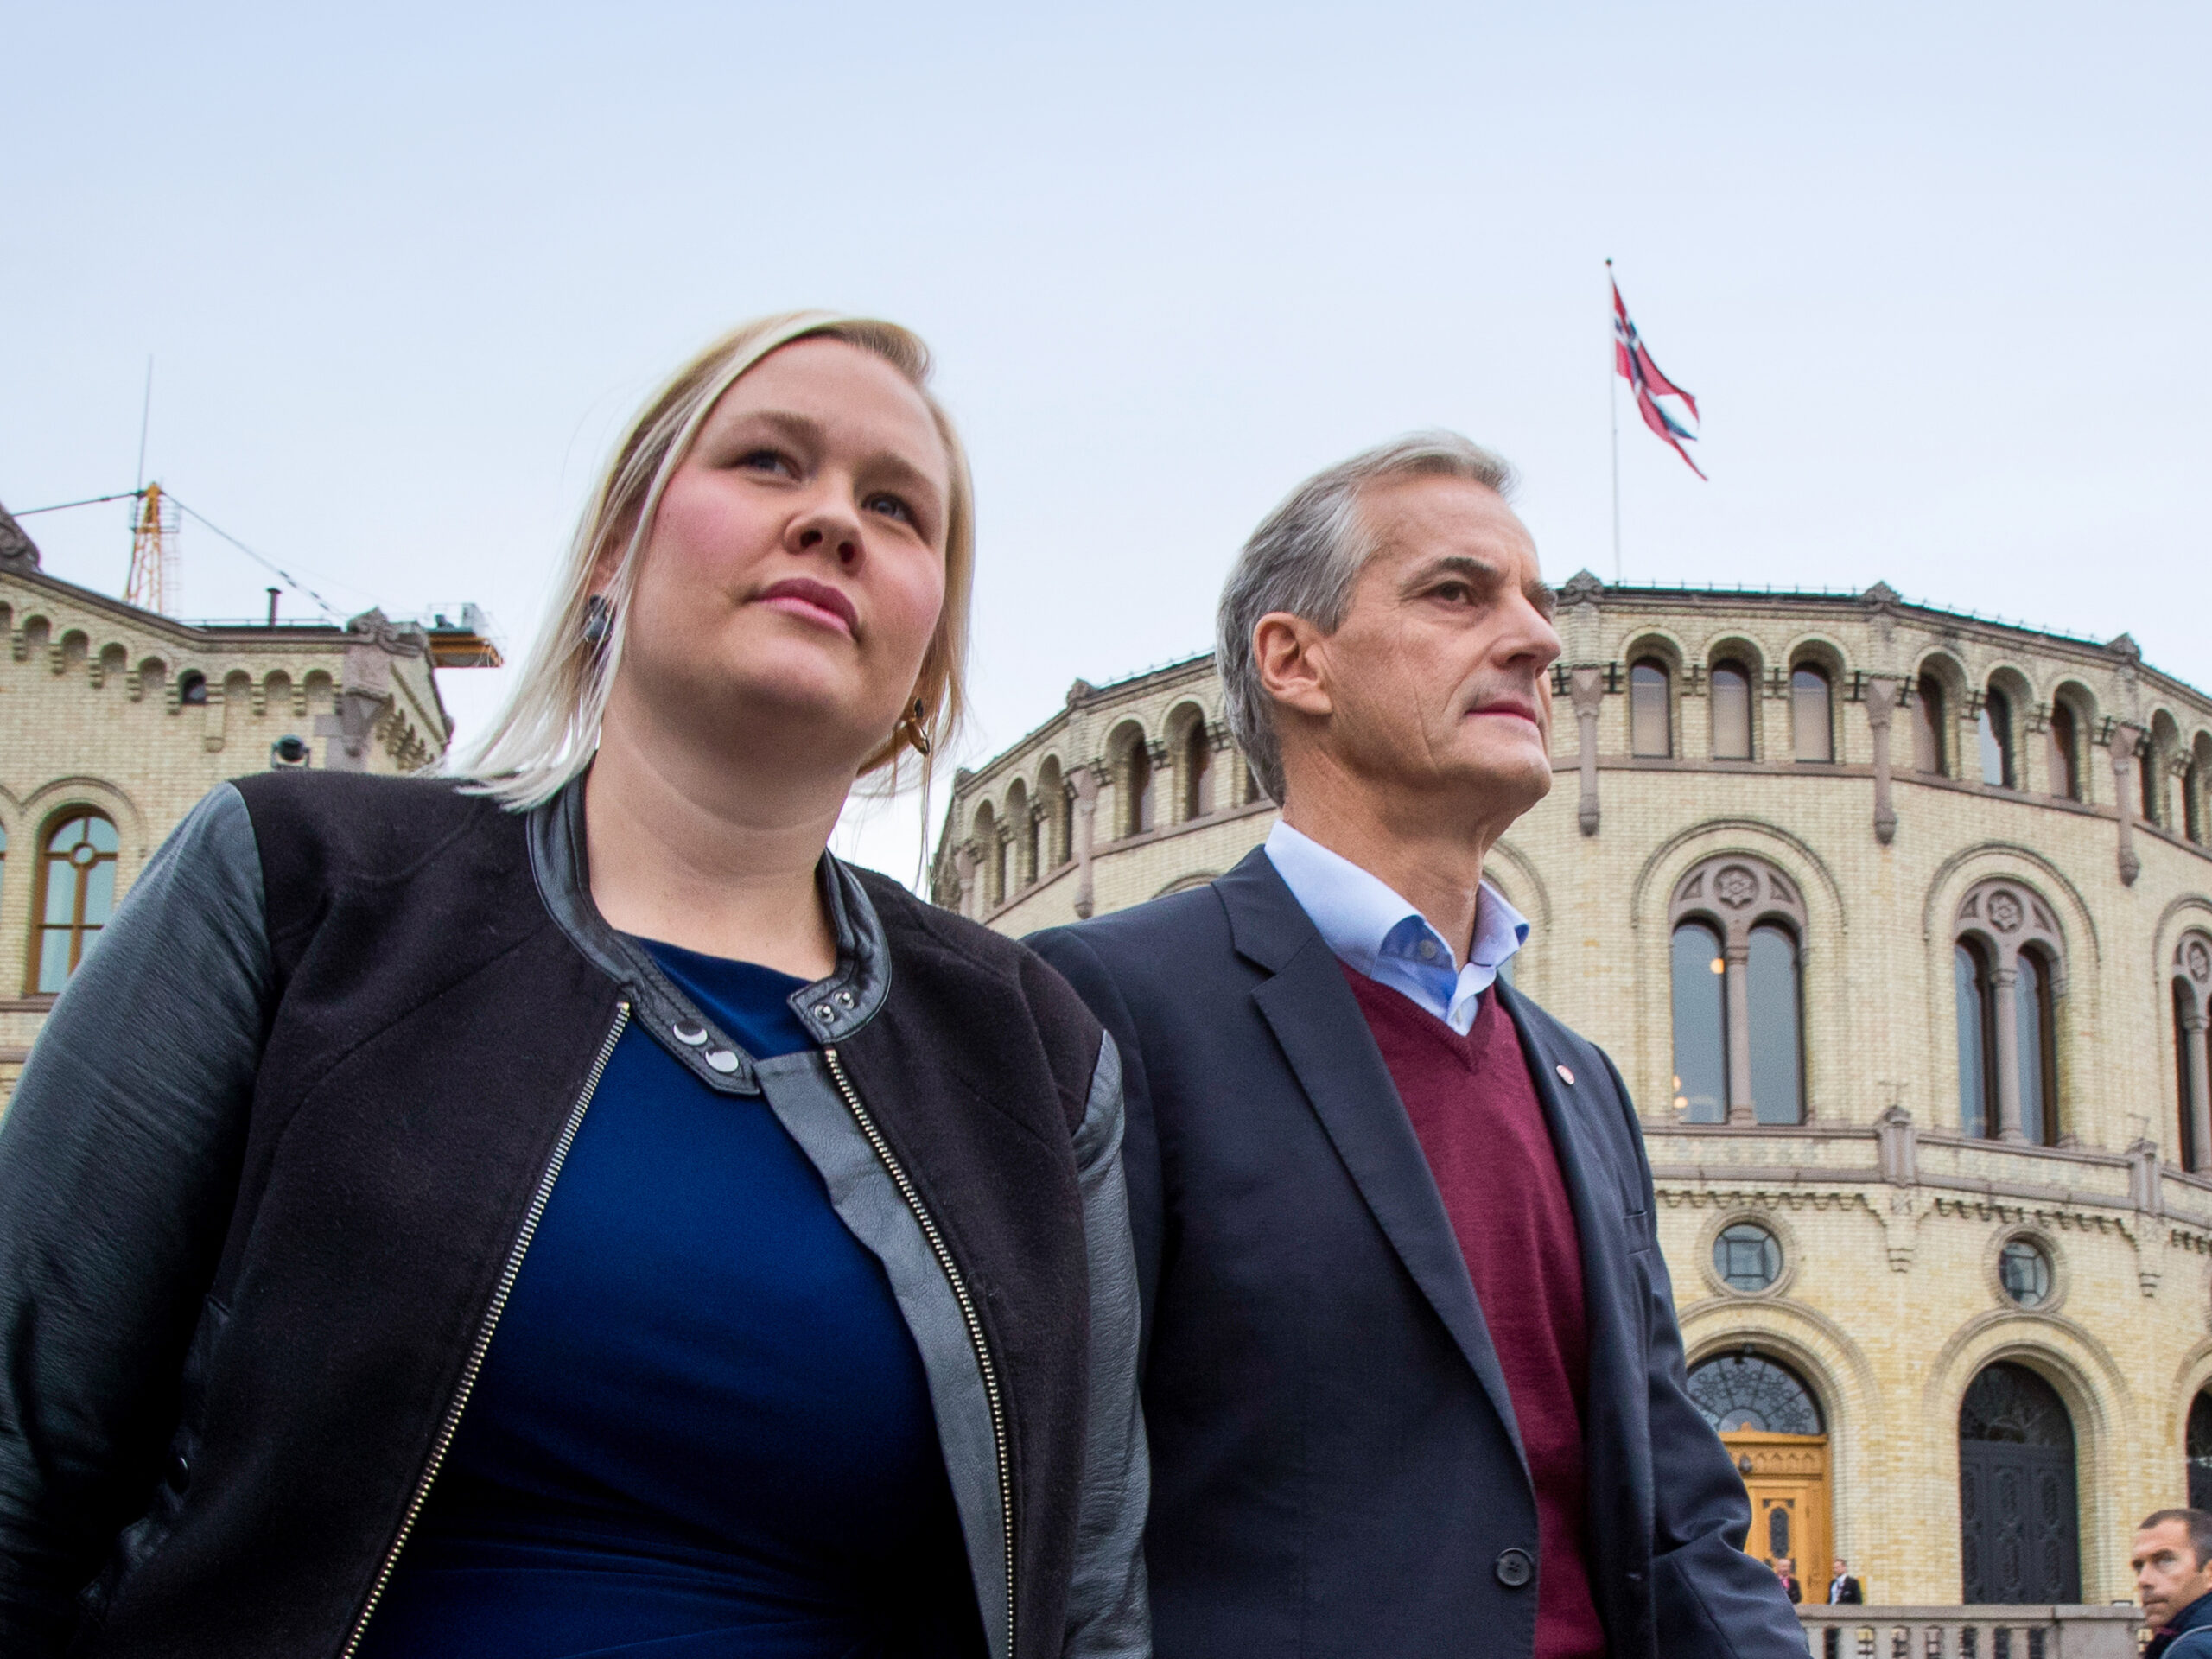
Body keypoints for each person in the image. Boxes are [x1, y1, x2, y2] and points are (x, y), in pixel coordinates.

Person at [0, 313, 1150, 1659]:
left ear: (926, 658)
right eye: (770, 463)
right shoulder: (300, 885)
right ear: (614, 552)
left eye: (896, 508)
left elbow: (1084, 1600)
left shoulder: (1032, 1053)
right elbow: (25, 1449)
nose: (834, 520)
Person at [1027, 433, 1806, 1658]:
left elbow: (1680, 1514)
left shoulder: (1580, 1083)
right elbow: (1059, 1516)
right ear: (1296, 661)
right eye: (1459, 593)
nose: (1540, 642)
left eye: (1539, 607)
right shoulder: (1112, 1001)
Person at [2135, 1510, 2212, 1658]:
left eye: (2165, 1560)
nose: (2143, 1580)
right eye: (2139, 1566)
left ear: (2209, 1573)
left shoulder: (2192, 1651)